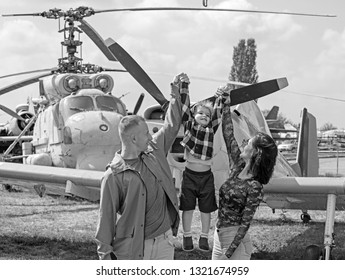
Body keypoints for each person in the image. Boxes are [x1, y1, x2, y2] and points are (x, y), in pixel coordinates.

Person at [95, 73, 187, 260]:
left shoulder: (154, 149)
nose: (150, 136)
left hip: (165, 242)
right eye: (146, 133)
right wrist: (105, 255)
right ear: (134, 139)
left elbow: (171, 125)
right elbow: (106, 218)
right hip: (135, 248)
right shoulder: (113, 176)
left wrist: (177, 95)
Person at [212, 85, 278, 260]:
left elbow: (245, 224)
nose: (245, 142)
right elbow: (228, 134)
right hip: (219, 237)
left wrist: (229, 251)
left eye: (249, 142)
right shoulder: (238, 166)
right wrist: (225, 103)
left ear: (255, 152)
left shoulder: (255, 186)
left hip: (234, 244)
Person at [178, 74, 227, 252]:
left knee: (206, 209)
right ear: (193, 115)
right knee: (187, 207)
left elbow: (218, 113)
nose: (204, 116)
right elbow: (184, 106)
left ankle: (204, 237)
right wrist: (184, 85)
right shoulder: (189, 126)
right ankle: (187, 235)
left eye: (207, 114)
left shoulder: (211, 130)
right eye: (200, 113)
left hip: (206, 176)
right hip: (190, 175)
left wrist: (221, 96)